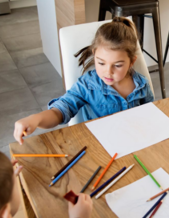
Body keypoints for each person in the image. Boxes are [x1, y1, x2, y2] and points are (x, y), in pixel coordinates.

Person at [13, 17, 154, 145]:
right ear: (94, 55)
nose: (108, 71)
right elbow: (60, 110)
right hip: (98, 146)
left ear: (131, 62)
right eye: (101, 63)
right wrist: (35, 119)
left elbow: (150, 115)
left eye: (117, 65)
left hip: (133, 142)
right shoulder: (87, 85)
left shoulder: (142, 85)